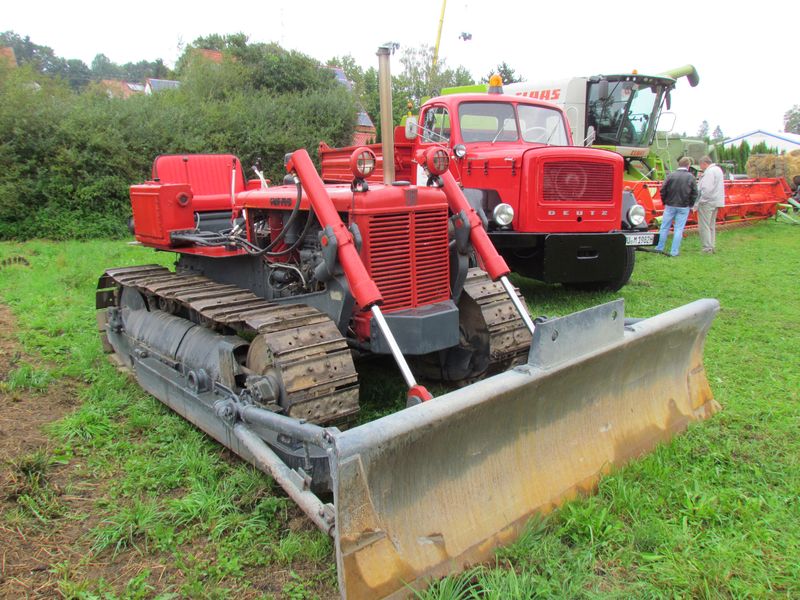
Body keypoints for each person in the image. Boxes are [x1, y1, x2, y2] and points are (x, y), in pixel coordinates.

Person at [655, 157, 698, 256]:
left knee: (664, 227)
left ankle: (659, 248)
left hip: (670, 205)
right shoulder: (690, 177)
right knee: (678, 229)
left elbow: (663, 190)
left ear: (679, 164)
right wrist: (690, 204)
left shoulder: (671, 175)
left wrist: (665, 201)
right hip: (683, 206)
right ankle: (674, 251)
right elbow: (695, 193)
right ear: (688, 166)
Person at [694, 156, 725, 253]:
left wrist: (701, 201)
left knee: (704, 226)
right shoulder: (717, 170)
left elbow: (706, 189)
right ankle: (711, 245)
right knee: (711, 225)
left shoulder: (709, 172)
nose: (701, 167)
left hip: (707, 202)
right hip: (716, 201)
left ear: (704, 163)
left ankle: (707, 248)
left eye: (701, 165)